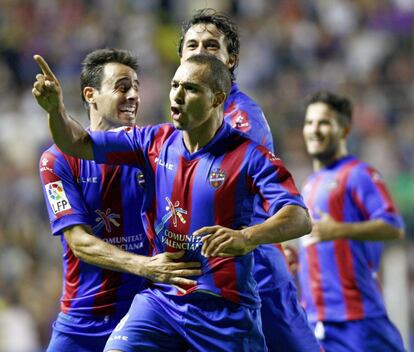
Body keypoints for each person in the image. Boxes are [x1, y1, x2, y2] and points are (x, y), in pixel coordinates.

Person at [33, 53, 311, 351]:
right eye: (174, 85)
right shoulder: (151, 143)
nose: (176, 95)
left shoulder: (248, 156)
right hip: (148, 304)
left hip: (222, 309)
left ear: (217, 99)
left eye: (189, 88)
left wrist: (248, 238)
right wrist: (55, 111)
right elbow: (76, 148)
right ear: (90, 95)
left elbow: (299, 217)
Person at [38, 48, 201, 352]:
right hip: (81, 321)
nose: (134, 95)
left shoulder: (155, 150)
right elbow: (79, 242)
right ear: (91, 94)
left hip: (148, 315)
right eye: (122, 87)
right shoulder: (55, 160)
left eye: (137, 87)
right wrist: (145, 266)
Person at [178, 9, 320, 351]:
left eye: (212, 46)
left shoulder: (242, 117)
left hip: (255, 270)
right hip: (207, 274)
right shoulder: (183, 119)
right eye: (192, 45)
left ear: (231, 60)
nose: (200, 51)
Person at [298, 90, 406, 351]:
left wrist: (339, 230)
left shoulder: (359, 174)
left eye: (324, 122)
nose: (315, 129)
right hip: (316, 319)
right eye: (310, 122)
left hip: (357, 320)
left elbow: (393, 226)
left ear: (345, 130)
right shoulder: (309, 185)